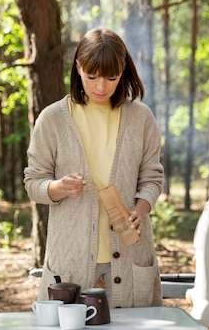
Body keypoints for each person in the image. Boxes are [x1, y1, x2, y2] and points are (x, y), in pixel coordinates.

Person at [24, 27, 164, 308]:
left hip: (129, 255)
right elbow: (33, 182)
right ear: (78, 68)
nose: (101, 87)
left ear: (123, 70)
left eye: (111, 78)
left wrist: (140, 210)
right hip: (71, 257)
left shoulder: (141, 118)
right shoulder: (52, 119)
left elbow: (152, 177)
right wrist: (57, 188)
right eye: (92, 77)